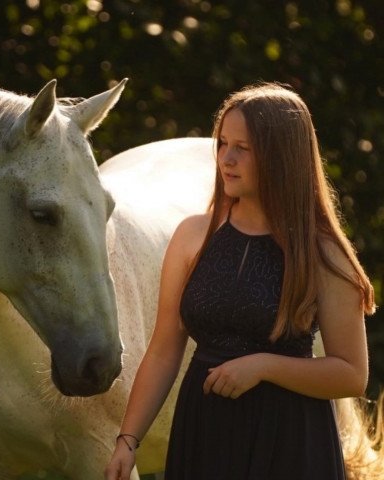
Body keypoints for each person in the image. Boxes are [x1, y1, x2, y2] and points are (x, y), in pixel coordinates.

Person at [104, 82, 376, 480]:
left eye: (242, 149)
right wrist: (127, 441)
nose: (225, 159)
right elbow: (163, 351)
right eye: (222, 144)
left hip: (291, 442)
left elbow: (352, 374)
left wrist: (264, 366)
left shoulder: (323, 253)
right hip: (205, 432)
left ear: (281, 156)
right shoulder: (192, 236)